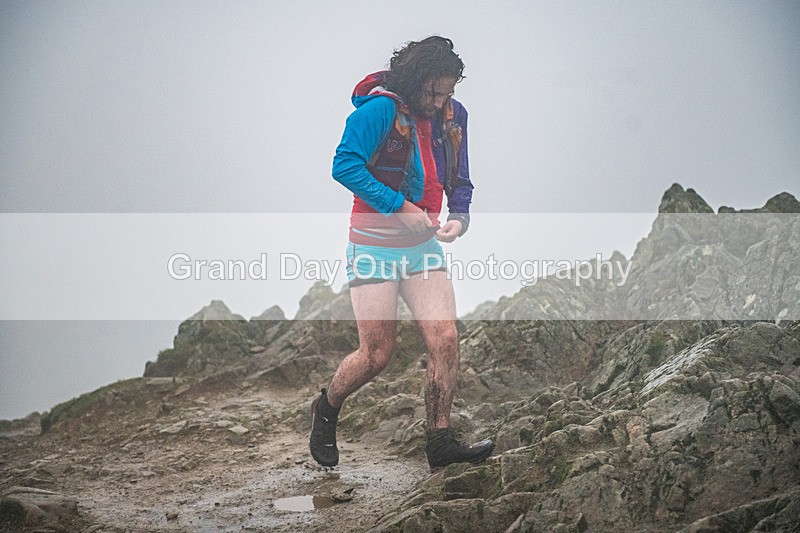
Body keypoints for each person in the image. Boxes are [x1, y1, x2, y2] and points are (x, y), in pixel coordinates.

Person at [310, 36, 494, 472]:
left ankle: (440, 444)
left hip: (422, 245)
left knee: (445, 338)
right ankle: (327, 407)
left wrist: (460, 216)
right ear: (414, 81)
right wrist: (399, 206)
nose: (440, 100)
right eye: (434, 91)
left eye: (448, 90)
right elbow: (344, 165)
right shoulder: (379, 111)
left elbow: (461, 177)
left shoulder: (454, 114)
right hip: (373, 240)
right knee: (377, 354)